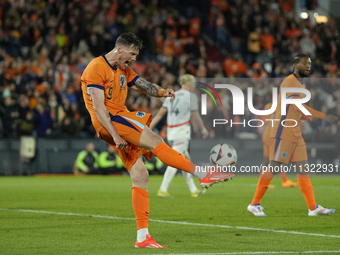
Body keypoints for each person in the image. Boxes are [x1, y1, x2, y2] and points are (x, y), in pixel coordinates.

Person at [80, 32, 234, 249]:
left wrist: (162, 92)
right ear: (120, 49)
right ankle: (203, 174)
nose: (134, 59)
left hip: (117, 120)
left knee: (140, 175)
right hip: (111, 120)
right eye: (132, 54)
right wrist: (115, 134)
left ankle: (142, 236)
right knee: (155, 139)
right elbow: (97, 106)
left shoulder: (123, 68)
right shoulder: (96, 67)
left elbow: (142, 84)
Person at [247, 54, 338, 217]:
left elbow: (297, 110)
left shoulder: (301, 85)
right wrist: (321, 115)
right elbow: (298, 107)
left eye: (309, 63)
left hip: (296, 133)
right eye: (304, 63)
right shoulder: (290, 81)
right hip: (284, 131)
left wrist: (308, 117)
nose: (307, 66)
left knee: (303, 169)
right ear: (295, 65)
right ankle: (254, 204)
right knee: (274, 165)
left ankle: (312, 207)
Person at [150, 74, 209, 198]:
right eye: (193, 82)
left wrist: (149, 127)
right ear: (188, 83)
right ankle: (162, 189)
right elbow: (196, 116)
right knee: (175, 161)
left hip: (171, 133)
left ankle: (193, 190)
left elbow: (160, 114)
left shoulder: (172, 95)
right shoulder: (191, 97)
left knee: (185, 161)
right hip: (182, 132)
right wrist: (203, 129)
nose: (194, 85)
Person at [262, 102, 297, 189]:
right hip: (271, 136)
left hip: (267, 135)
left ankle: (263, 182)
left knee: (267, 160)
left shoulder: (268, 106)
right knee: (277, 159)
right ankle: (284, 181)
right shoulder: (276, 108)